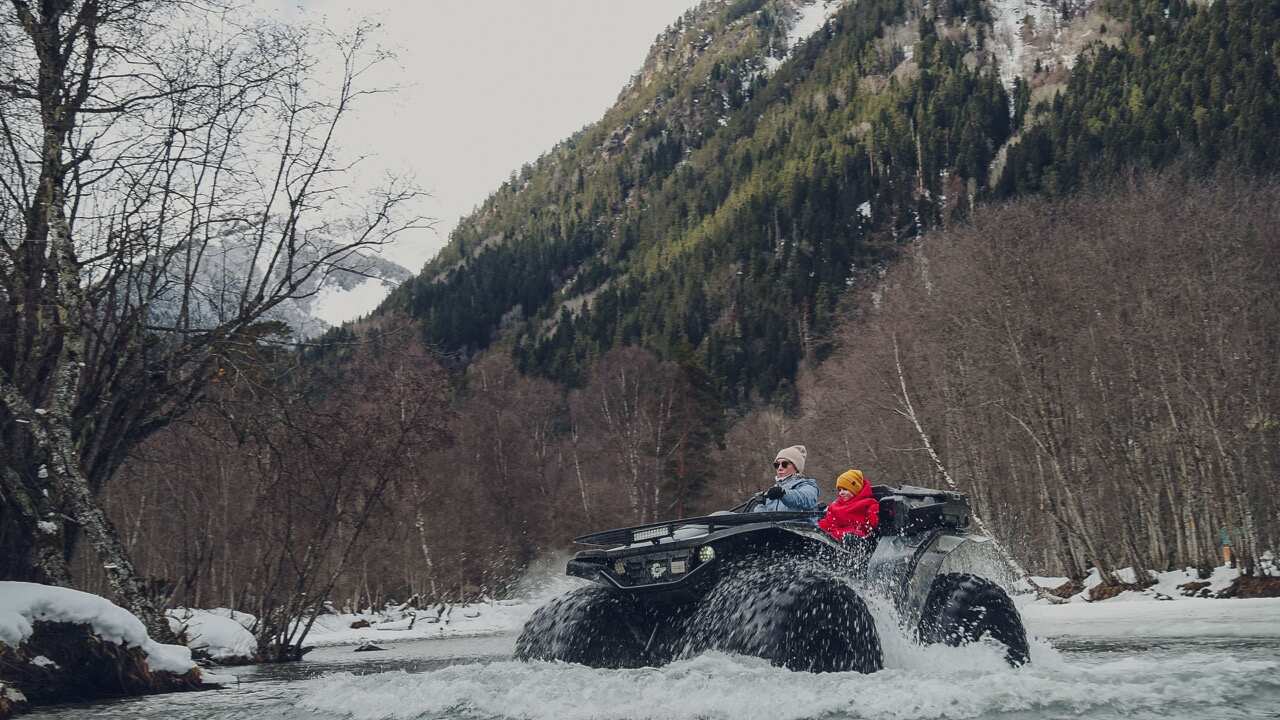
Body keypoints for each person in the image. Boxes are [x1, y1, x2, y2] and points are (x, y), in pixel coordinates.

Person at [752, 444, 819, 514]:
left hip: (799, 524)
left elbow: (806, 499)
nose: (780, 468)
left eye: (784, 464)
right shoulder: (771, 492)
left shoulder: (808, 486)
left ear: (796, 467)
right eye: (777, 465)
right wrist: (761, 504)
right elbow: (760, 518)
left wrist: (783, 494)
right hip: (773, 525)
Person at [818, 469, 880, 541]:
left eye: (845, 489)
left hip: (856, 540)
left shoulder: (869, 504)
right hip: (833, 537)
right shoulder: (836, 505)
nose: (841, 493)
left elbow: (873, 527)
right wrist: (817, 528)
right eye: (840, 490)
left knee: (850, 537)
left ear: (855, 488)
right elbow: (829, 522)